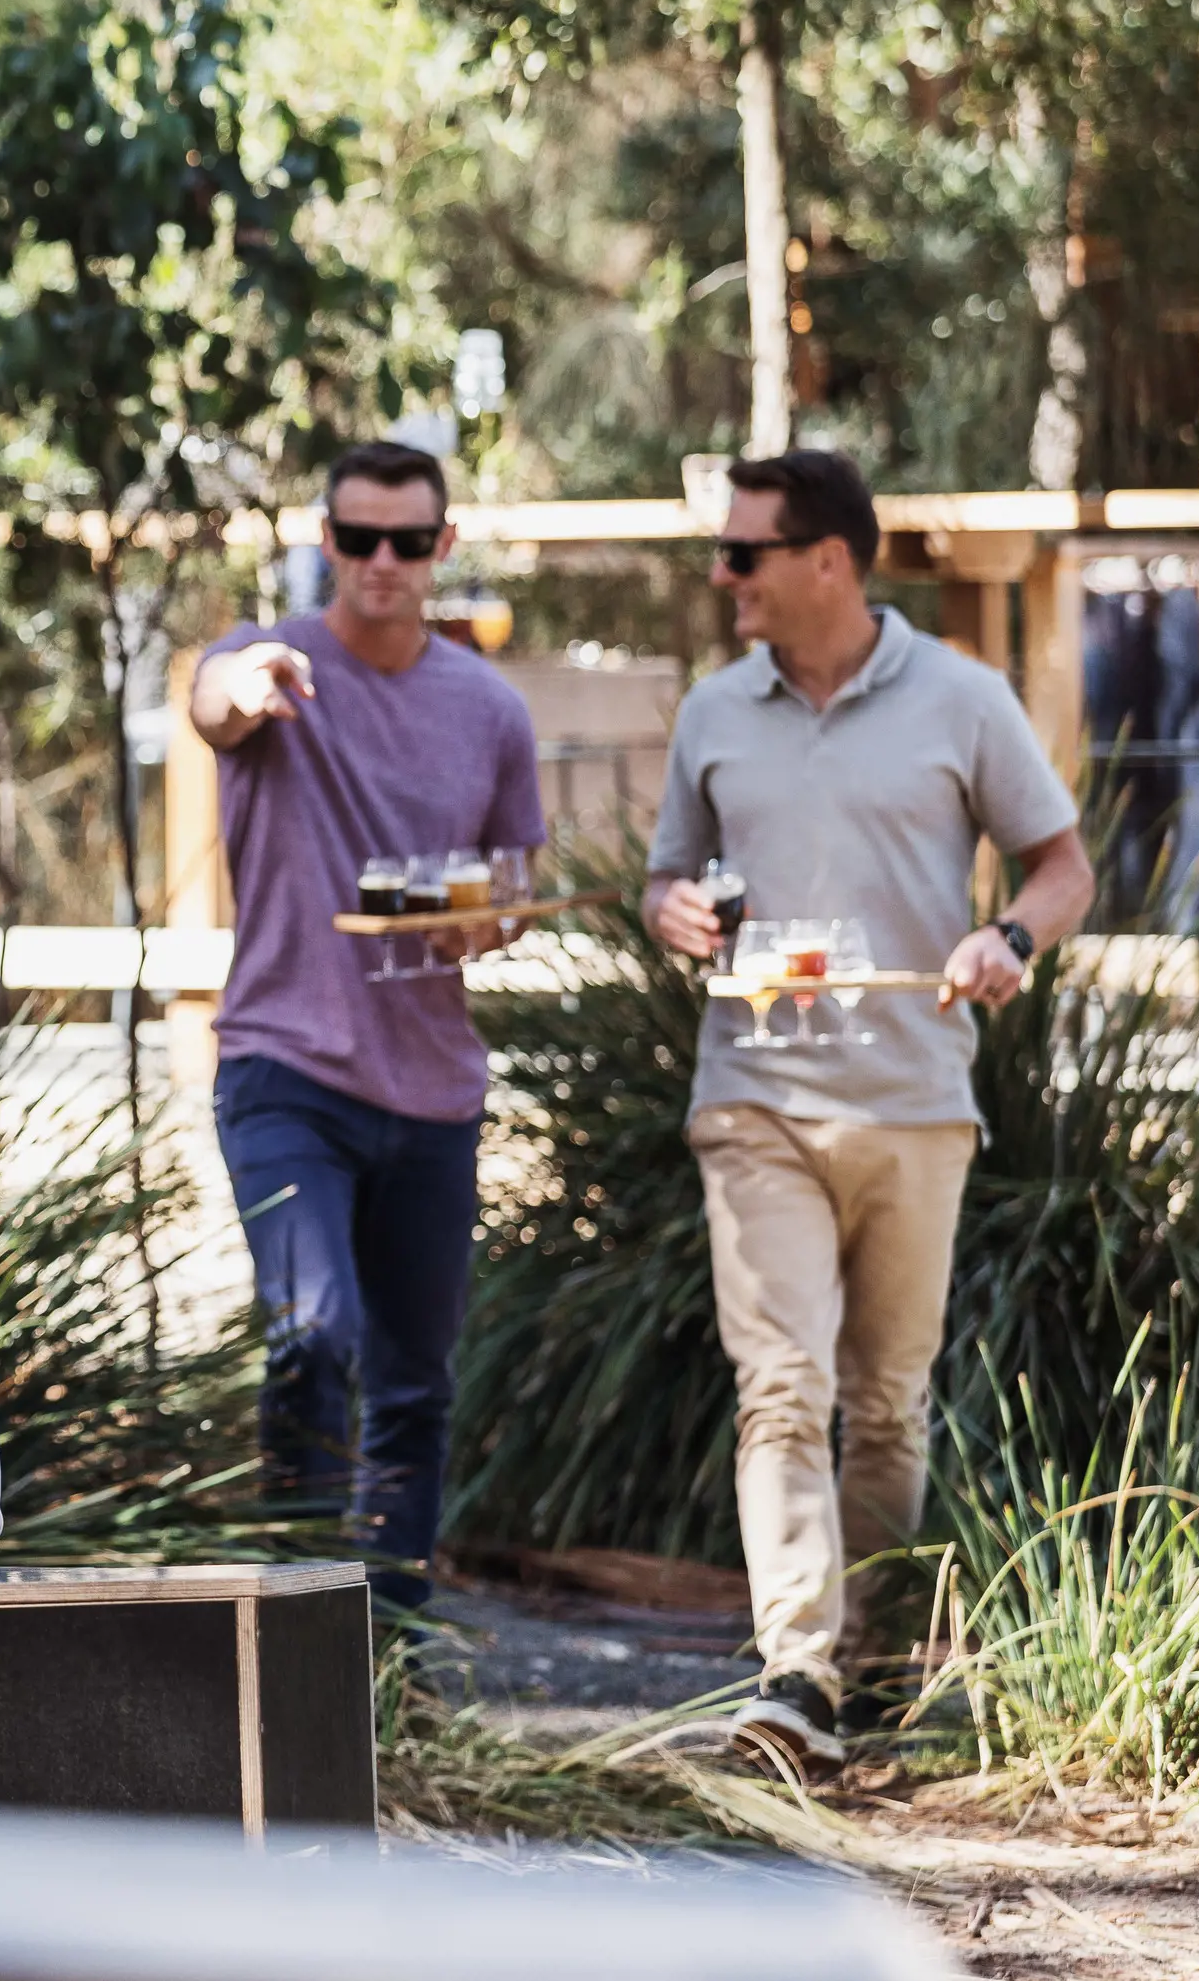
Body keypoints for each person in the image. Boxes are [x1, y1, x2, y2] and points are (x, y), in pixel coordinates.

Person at [642, 450, 1092, 1769]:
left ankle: (873, 1671)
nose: (720, 576)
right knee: (776, 1389)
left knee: (885, 1402)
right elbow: (671, 882)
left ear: (824, 559)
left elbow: (1057, 864)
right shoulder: (711, 712)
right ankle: (794, 1670)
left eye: (741, 553)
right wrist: (669, 910)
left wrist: (1006, 934)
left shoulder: (960, 698)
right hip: (754, 1098)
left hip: (910, 1097)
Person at [184, 441, 544, 1612]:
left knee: (413, 1383)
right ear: (324, 542)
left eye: (404, 540)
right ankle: (291, 1611)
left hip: (434, 1091)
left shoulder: (488, 706)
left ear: (442, 547)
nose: (378, 561)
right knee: (313, 1330)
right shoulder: (268, 661)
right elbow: (211, 701)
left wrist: (484, 925)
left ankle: (387, 1631)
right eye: (354, 538)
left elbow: (514, 882)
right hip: (286, 1069)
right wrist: (239, 690)